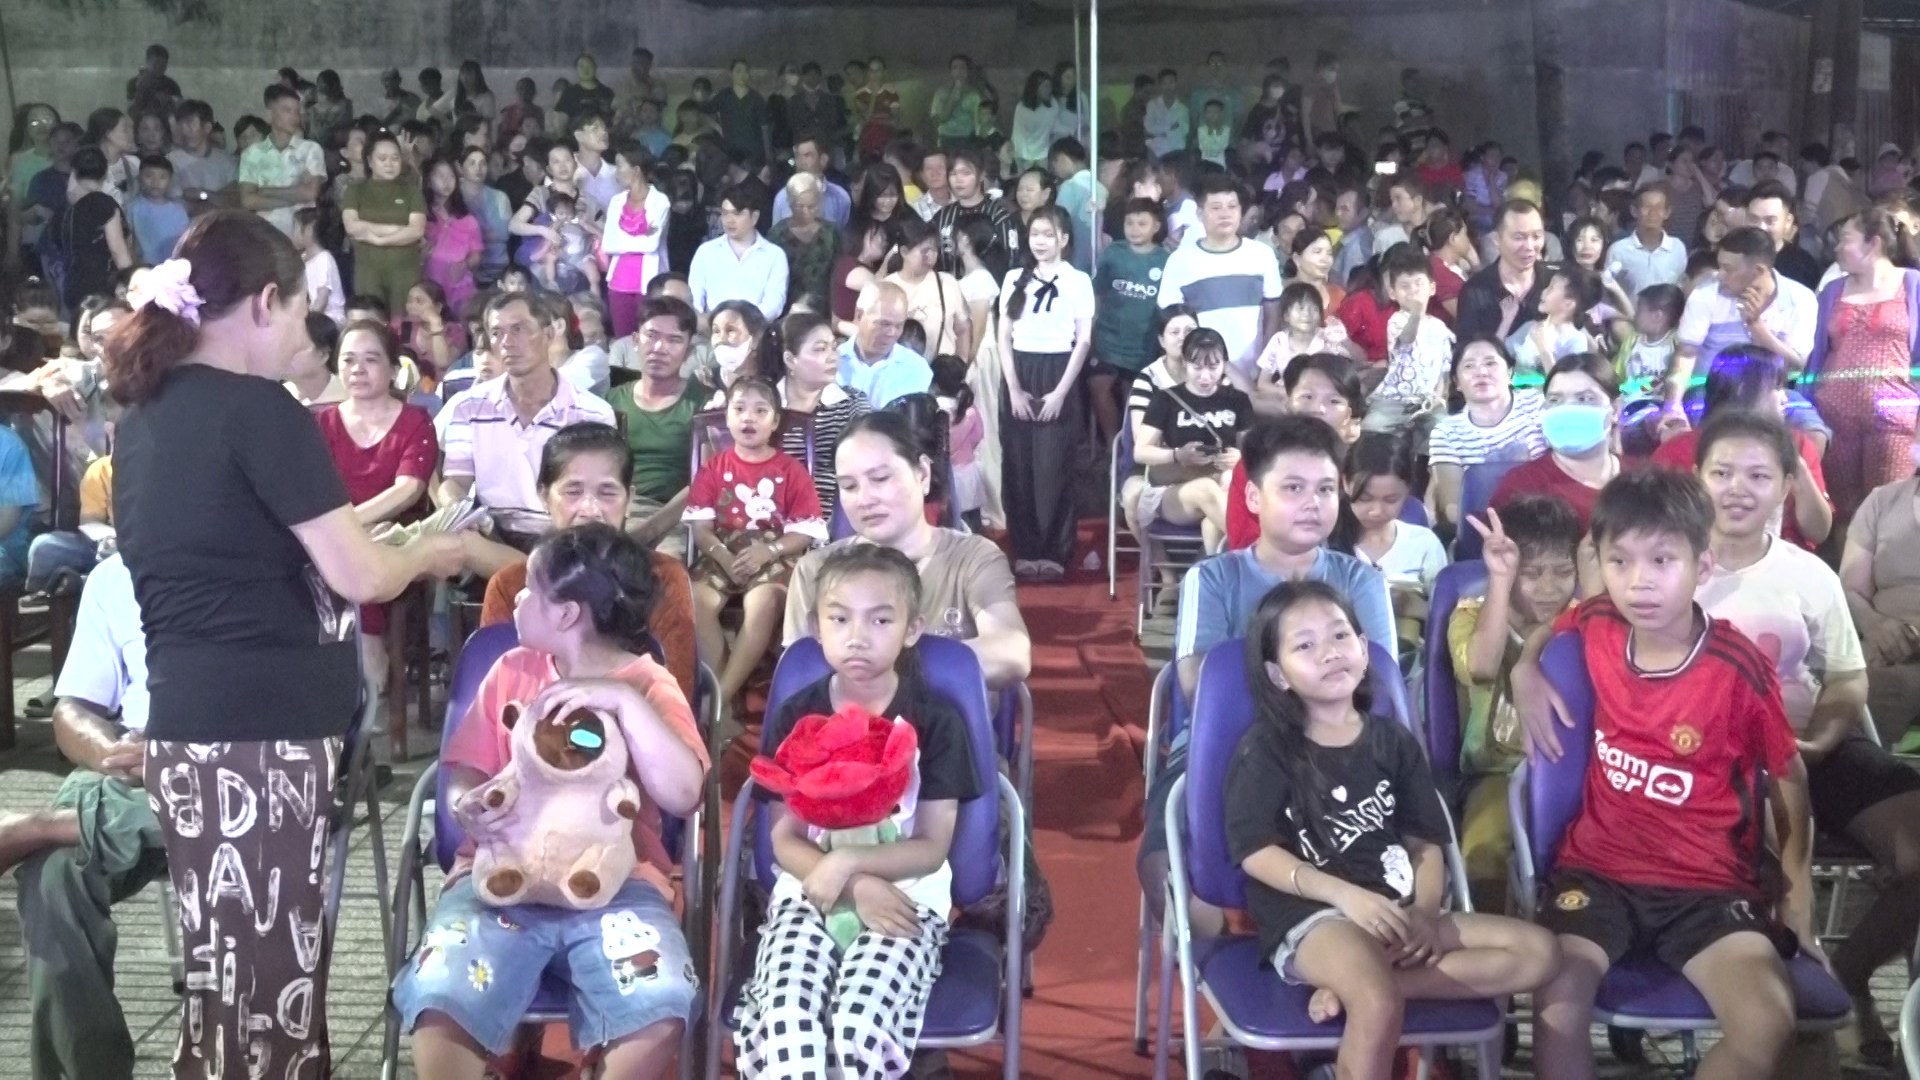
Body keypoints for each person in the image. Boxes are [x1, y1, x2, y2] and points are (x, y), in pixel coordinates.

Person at [107, 213, 471, 1075]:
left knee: (225, 976)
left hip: (188, 726)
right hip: (262, 735)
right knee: (269, 985)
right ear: (265, 302)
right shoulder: (260, 410)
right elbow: (360, 574)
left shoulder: (145, 416)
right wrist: (433, 551)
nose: (308, 339)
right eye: (304, 315)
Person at [1513, 468, 1816, 1080]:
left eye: (1661, 560)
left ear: (1702, 566)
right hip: (1598, 871)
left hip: (1709, 885)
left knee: (1767, 1020)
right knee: (1556, 1004)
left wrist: (1798, 888)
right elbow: (1557, 622)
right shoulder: (1599, 621)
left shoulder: (1736, 667)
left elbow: (1788, 774)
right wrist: (1524, 666)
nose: (1639, 581)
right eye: (1619, 561)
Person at [392, 522, 706, 1079]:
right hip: (500, 879)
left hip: (616, 886)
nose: (516, 599)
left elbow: (685, 794)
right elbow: (464, 774)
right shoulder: (510, 671)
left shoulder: (649, 684)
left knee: (660, 1004)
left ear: (566, 614)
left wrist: (627, 705)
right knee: (441, 993)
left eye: (530, 590)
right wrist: (469, 806)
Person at [1225, 580, 1560, 1076]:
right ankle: (1367, 986)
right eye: (1305, 645)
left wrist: (1423, 912)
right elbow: (1255, 851)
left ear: (1364, 649)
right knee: (1378, 1002)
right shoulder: (1267, 749)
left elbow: (1426, 844)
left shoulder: (1393, 741)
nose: (1329, 653)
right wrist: (1346, 897)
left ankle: (1363, 984)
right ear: (1278, 674)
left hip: (1396, 910)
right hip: (1316, 916)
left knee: (1540, 953)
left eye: (1340, 636)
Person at [1692, 411, 1920, 1060]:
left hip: (1809, 744)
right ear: (1696, 477)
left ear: (1787, 486)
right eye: (1722, 473)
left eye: (1758, 475)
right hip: (1712, 765)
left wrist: (1818, 741)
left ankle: (1850, 974)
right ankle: (1798, 1000)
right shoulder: (1672, 567)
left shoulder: (1809, 574)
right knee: (1770, 874)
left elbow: (1846, 679)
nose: (1738, 488)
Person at [737, 545, 979, 1077]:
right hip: (811, 892)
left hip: (906, 900)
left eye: (881, 620)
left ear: (912, 630)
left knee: (858, 1025)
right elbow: (784, 838)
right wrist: (850, 884)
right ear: (815, 627)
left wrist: (849, 863)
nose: (857, 636)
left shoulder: (936, 721)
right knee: (786, 1018)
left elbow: (932, 846)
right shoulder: (797, 714)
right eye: (840, 619)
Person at [1, 553, 157, 1080]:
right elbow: (73, 710)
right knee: (53, 876)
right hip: (132, 775)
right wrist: (109, 752)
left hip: (248, 777)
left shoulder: (270, 553)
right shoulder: (117, 576)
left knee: (48, 844)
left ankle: (42, 825)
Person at [783, 412, 1032, 691]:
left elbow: (1011, 652)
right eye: (849, 486)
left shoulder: (972, 559)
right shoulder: (816, 570)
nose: (865, 499)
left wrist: (887, 665)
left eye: (880, 478)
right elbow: (798, 678)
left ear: (922, 473)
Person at [477, 423, 698, 704]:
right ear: (544, 496)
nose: (590, 509)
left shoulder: (662, 578)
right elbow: (493, 696)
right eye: (573, 492)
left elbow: (678, 693)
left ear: (629, 499)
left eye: (607, 493)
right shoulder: (510, 585)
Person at [1449, 496, 1582, 913]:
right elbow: (1482, 667)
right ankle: (1491, 929)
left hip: (1570, 770)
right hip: (1497, 770)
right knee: (1482, 848)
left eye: (1563, 572)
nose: (1549, 588)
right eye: (1531, 573)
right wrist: (1501, 580)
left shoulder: (1582, 619)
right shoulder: (1471, 614)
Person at [439, 290, 616, 561]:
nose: (507, 342)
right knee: (455, 543)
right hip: (490, 534)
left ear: (549, 334)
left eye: (519, 329)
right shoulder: (469, 406)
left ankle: (527, 573)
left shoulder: (591, 412)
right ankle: (525, 573)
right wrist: (464, 514)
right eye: (497, 333)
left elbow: (594, 498)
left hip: (564, 536)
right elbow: (455, 483)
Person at [315, 319, 439, 700]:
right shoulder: (321, 423)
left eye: (370, 360)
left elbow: (409, 489)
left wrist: (349, 525)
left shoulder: (415, 421)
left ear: (393, 368)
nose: (358, 369)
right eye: (348, 360)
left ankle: (368, 673)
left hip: (395, 534)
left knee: (361, 555)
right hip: (335, 534)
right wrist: (343, 530)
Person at [687, 377, 826, 706]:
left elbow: (804, 532)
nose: (748, 417)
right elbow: (702, 530)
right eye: (739, 409)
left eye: (761, 411)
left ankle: (718, 701)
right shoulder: (712, 469)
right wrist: (723, 557)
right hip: (721, 552)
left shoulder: (791, 470)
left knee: (763, 602)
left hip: (775, 554)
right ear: (727, 417)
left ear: (775, 421)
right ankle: (727, 699)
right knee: (695, 601)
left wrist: (770, 550)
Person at [1650, 345, 1832, 551]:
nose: (1785, 399)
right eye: (1776, 387)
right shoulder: (1675, 452)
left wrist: (1800, 471)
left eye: (1758, 475)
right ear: (1742, 388)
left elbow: (1818, 532)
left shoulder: (1798, 445)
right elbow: (1655, 532)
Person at [1804, 208, 1920, 526]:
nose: (1837, 248)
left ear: (1874, 243)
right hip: (1835, 420)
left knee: (1891, 513)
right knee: (1842, 513)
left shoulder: (1913, 284)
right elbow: (1817, 356)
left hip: (1895, 421)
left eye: (1845, 239)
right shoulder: (1832, 291)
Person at [998, 205, 1095, 580]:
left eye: (1048, 235)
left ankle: (1056, 549)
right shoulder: (1013, 278)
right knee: (1019, 463)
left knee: (1054, 465)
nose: (1040, 241)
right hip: (1019, 371)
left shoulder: (1078, 281)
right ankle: (1025, 549)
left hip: (1060, 371)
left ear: (1064, 239)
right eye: (1035, 234)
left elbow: (1082, 340)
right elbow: (1003, 337)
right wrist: (1014, 388)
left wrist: (1059, 393)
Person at [1666, 226, 1816, 428]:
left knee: (1812, 428)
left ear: (1759, 270)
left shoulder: (1800, 298)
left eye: (1728, 269)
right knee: (1708, 420)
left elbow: (1796, 365)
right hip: (1710, 389)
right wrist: (1673, 405)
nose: (1720, 275)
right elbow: (1686, 355)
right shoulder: (1705, 294)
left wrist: (1757, 327)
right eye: (1720, 266)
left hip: (1772, 390)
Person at [604, 296, 713, 555]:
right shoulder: (609, 401)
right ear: (634, 340)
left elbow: (706, 481)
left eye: (674, 340)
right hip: (615, 511)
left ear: (689, 351)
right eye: (651, 335)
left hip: (676, 518)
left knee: (661, 568)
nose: (660, 348)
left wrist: (649, 530)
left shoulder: (706, 404)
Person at [1134, 327, 1253, 553]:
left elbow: (1254, 451)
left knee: (1213, 521)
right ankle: (1260, 550)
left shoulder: (1237, 400)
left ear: (1224, 365)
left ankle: (1212, 567)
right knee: (1206, 489)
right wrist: (1177, 455)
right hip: (1174, 489)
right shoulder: (1165, 399)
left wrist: (1240, 457)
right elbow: (1140, 451)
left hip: (1223, 484)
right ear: (1185, 364)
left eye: (1213, 367)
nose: (1205, 376)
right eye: (1197, 367)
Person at [1157, 173, 1283, 380]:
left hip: (1253, 373)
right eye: (1216, 208)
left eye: (1232, 207)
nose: (1225, 214)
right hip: (1200, 374)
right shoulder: (1179, 261)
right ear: (1199, 214)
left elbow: (1273, 314)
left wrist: (1266, 369)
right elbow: (1172, 322)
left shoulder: (1263, 255)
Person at [1490, 352, 1623, 530]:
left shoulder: (1643, 481)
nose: (1568, 408)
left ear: (1616, 409)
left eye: (1584, 399)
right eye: (1555, 400)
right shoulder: (1522, 488)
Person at [773, 310, 872, 517]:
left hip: (834, 522)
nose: (832, 357)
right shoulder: (766, 407)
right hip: (770, 517)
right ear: (790, 360)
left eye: (834, 348)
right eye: (820, 349)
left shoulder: (853, 404)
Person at [1089, 197, 1169, 447]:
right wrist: (1092, 328)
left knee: (1133, 397)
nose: (1134, 229)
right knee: (1098, 387)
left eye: (1142, 223)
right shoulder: (1113, 253)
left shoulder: (1165, 260)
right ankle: (1112, 445)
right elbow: (1097, 293)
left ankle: (1131, 449)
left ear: (1156, 226)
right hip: (1107, 338)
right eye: (1129, 223)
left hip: (1142, 344)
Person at [1366, 245, 1455, 438]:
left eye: (1418, 284)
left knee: (1443, 432)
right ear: (1393, 293)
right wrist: (1416, 313)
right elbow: (1407, 338)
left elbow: (1444, 369)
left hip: (1428, 401)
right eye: (1405, 286)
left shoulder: (1440, 327)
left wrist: (1441, 397)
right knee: (1371, 428)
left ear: (1432, 288)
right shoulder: (1397, 320)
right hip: (1395, 399)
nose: (1413, 291)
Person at [341, 131, 427, 315]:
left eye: (395, 158)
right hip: (368, 273)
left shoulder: (411, 191)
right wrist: (397, 229)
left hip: (405, 272)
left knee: (404, 322)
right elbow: (352, 226)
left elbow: (417, 230)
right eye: (382, 158)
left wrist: (379, 239)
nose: (389, 163)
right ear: (370, 161)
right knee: (370, 320)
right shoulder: (356, 190)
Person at [688, 183, 789, 321]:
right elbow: (694, 297)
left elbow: (774, 304)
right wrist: (703, 321)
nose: (729, 220)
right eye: (725, 213)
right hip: (711, 327)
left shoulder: (775, 255)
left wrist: (744, 323)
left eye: (737, 213)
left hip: (755, 328)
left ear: (754, 217)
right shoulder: (706, 252)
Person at [50, 147, 133, 313]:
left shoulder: (63, 212)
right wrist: (132, 282)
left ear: (74, 172)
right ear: (105, 173)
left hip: (72, 285)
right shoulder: (103, 203)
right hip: (102, 285)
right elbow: (118, 250)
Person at [238, 84, 327, 238]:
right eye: (287, 110)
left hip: (302, 236)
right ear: (269, 115)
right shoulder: (251, 154)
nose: (294, 117)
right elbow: (248, 200)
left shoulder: (311, 150)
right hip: (265, 236)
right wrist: (295, 196)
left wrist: (266, 191)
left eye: (296, 111)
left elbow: (310, 193)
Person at [601, 143, 671, 339]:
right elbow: (608, 244)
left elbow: (652, 245)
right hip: (618, 283)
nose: (616, 171)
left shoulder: (660, 201)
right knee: (623, 340)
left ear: (636, 170)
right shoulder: (616, 201)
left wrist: (623, 241)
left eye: (619, 165)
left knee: (650, 337)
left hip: (650, 282)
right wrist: (641, 238)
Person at [1455, 199, 1549, 340]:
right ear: (1496, 239)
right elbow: (1466, 348)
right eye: (1519, 238)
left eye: (1536, 236)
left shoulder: (1554, 282)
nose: (1529, 246)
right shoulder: (1475, 291)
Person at [886, 215, 972, 360]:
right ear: (904, 252)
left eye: (934, 250)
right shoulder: (887, 287)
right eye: (925, 251)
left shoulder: (947, 283)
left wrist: (961, 362)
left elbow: (963, 328)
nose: (931, 256)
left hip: (942, 370)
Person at [839, 281, 933, 407]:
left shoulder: (915, 369)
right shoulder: (832, 363)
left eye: (899, 326)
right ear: (859, 315)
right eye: (884, 324)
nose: (892, 333)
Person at [931, 148, 1019, 276]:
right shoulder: (943, 216)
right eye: (953, 174)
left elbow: (1012, 260)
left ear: (981, 175)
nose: (959, 179)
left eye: (966, 173)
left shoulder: (999, 215)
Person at [1506, 265, 1601, 376]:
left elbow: (1565, 382)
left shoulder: (1576, 341)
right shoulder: (1532, 327)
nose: (1544, 291)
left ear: (1568, 304)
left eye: (1551, 288)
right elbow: (1499, 352)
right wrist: (1506, 320)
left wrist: (1544, 350)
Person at [422, 156, 484, 319]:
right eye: (440, 176)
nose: (447, 181)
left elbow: (476, 254)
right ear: (428, 181)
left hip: (459, 285)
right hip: (429, 285)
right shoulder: (422, 216)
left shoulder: (468, 219)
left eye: (451, 176)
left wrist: (464, 266)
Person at [772, 172, 841, 309]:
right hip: (788, 308)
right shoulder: (777, 234)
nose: (805, 212)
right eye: (799, 206)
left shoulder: (831, 233)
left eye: (811, 206)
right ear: (790, 204)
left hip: (824, 308)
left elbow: (838, 273)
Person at [127, 155, 187, 266]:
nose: (155, 182)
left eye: (162, 177)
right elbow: (128, 243)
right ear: (139, 178)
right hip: (144, 269)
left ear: (170, 180)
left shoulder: (179, 210)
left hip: (173, 268)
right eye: (149, 176)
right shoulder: (132, 208)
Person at [294, 207, 345, 324]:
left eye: (296, 228)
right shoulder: (302, 258)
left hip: (330, 319)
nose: (293, 233)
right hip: (313, 315)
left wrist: (307, 322)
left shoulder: (324, 259)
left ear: (309, 230)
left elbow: (322, 299)